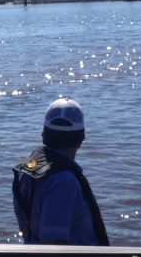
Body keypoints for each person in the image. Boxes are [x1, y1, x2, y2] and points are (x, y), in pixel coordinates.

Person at [12, 97, 109, 246]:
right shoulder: (63, 182)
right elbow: (53, 248)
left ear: (43, 133)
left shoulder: (28, 167)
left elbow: (25, 227)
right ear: (81, 138)